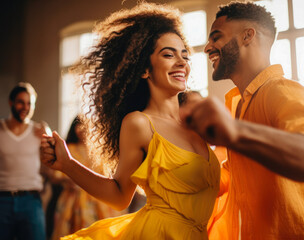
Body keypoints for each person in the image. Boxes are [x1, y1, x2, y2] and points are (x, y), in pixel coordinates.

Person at [40, 2, 220, 239]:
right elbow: (119, 196)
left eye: (184, 55)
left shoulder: (196, 121)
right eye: (169, 54)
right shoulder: (139, 124)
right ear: (145, 69)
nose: (181, 62)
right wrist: (67, 164)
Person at [180, 2, 304, 239]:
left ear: (248, 35)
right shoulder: (240, 104)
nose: (208, 47)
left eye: (216, 37)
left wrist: (235, 131)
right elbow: (237, 173)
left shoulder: (282, 90)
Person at [51, 115, 126, 239]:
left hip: (99, 197)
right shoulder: (69, 149)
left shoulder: (99, 150)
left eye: (86, 126)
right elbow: (57, 175)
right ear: (74, 129)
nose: (82, 129)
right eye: (78, 125)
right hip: (74, 198)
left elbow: (107, 174)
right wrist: (69, 180)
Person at [0, 82, 51, 240]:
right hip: (3, 201)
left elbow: (51, 162)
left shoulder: (40, 131)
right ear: (11, 102)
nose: (25, 107)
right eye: (21, 102)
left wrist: (48, 135)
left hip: (31, 201)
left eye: (30, 103)